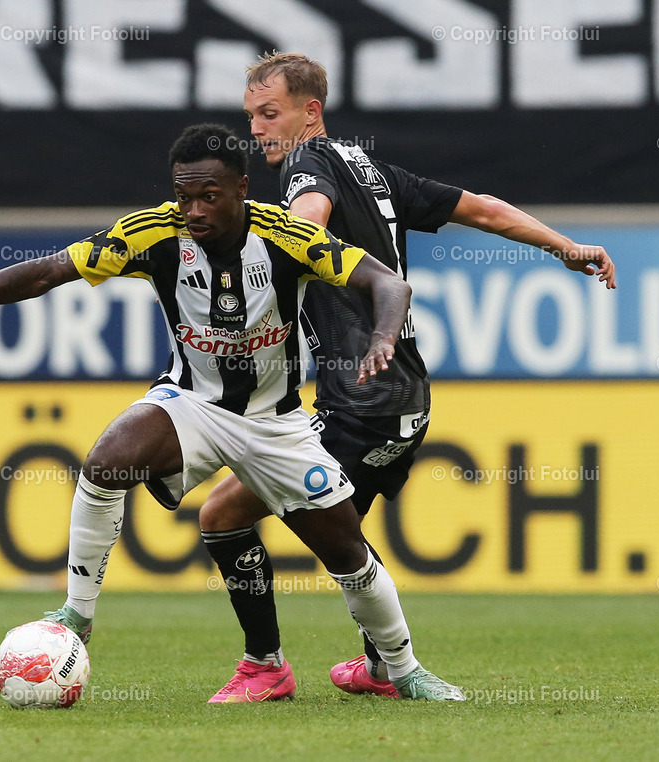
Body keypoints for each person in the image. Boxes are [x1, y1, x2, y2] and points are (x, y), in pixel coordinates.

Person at [0, 123, 464, 702]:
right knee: (106, 463)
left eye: (209, 196)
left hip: (276, 423)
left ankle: (404, 670)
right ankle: (77, 613)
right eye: (185, 196)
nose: (195, 210)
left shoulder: (288, 236)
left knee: (346, 552)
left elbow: (389, 284)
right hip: (193, 404)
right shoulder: (150, 234)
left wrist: (384, 337)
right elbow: (50, 271)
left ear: (241, 191)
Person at [199, 52, 617, 700]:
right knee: (341, 536)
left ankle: (273, 667)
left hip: (360, 399)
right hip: (403, 398)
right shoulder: (372, 169)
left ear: (311, 112)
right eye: (251, 114)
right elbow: (480, 207)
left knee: (226, 515)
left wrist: (254, 286)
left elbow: (306, 219)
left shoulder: (308, 167)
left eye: (269, 113)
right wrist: (565, 247)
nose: (256, 128)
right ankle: (377, 665)